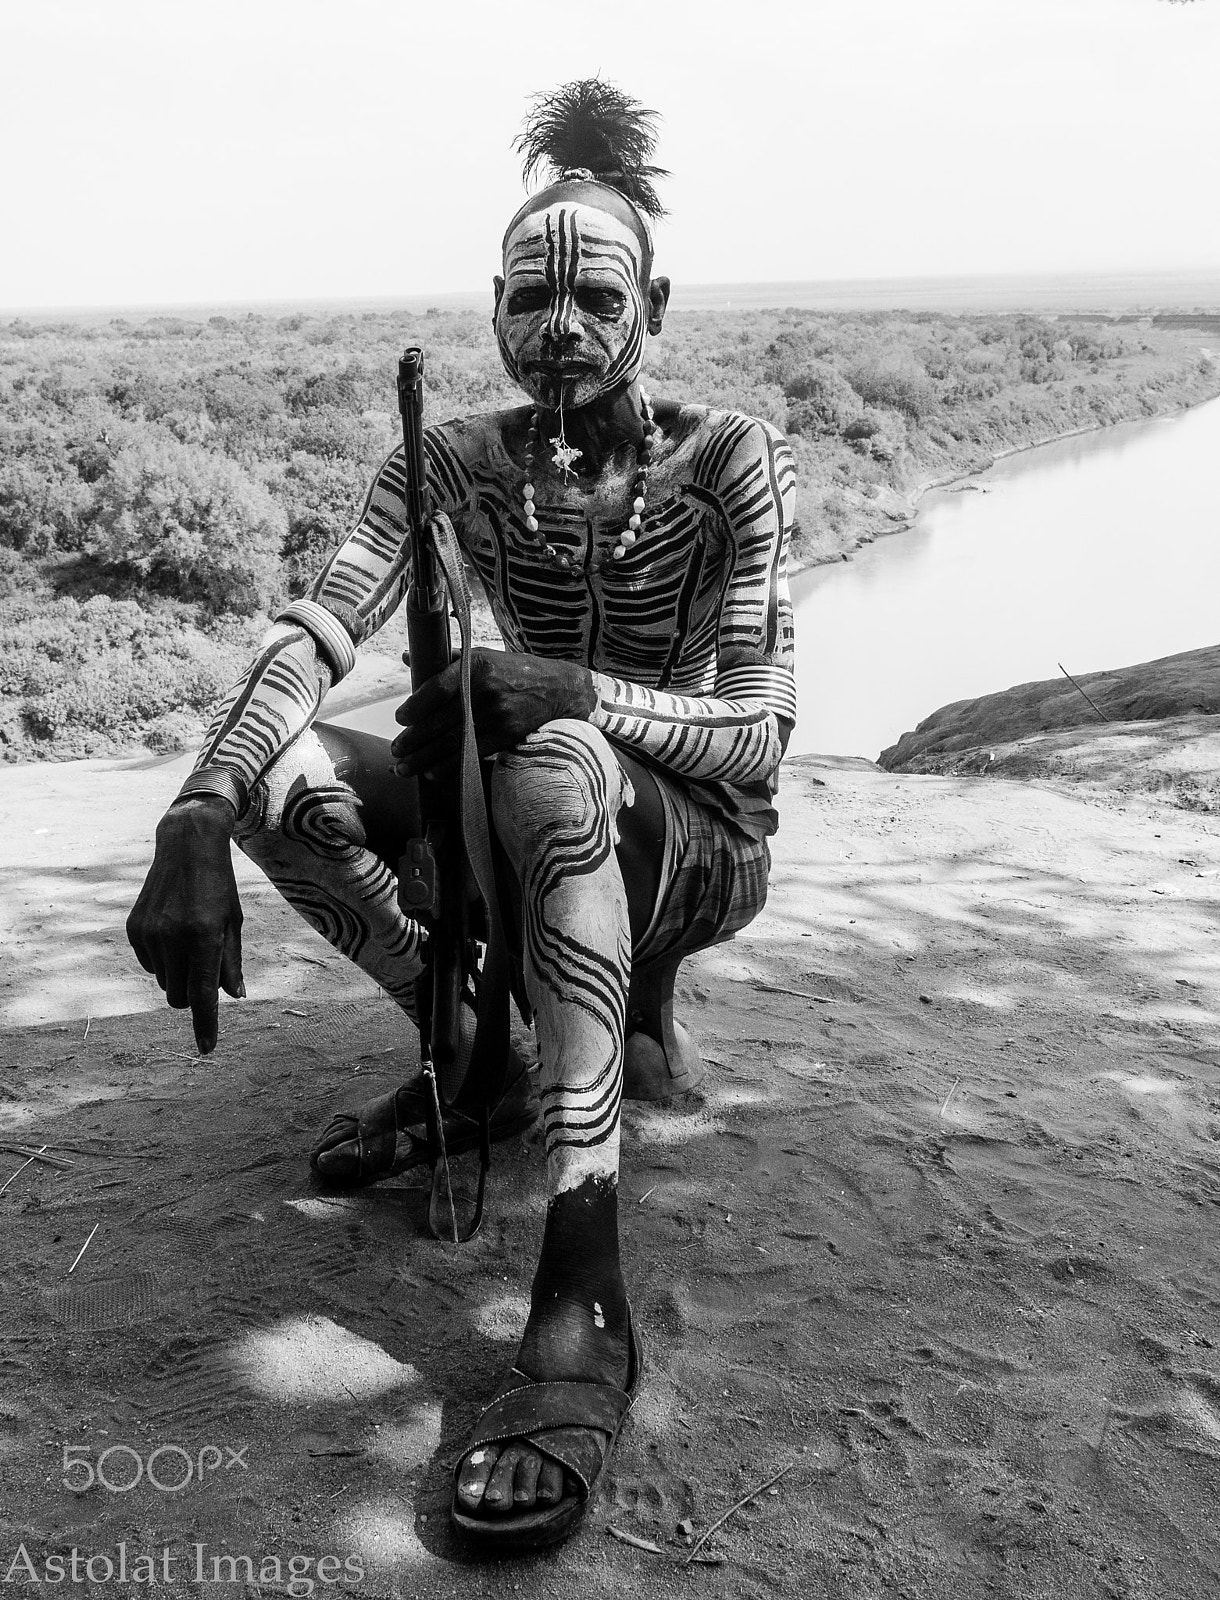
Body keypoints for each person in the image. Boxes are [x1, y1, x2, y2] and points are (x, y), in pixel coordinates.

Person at [126, 79, 795, 1553]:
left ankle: (580, 1298)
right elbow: (322, 626)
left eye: (594, 296)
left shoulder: (731, 461)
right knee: (290, 769)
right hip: (524, 812)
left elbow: (758, 732)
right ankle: (469, 1053)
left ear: (656, 302)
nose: (559, 329)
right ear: (494, 307)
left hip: (690, 843)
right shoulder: (455, 461)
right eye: (530, 298)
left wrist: (561, 685)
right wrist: (196, 807)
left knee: (551, 754)